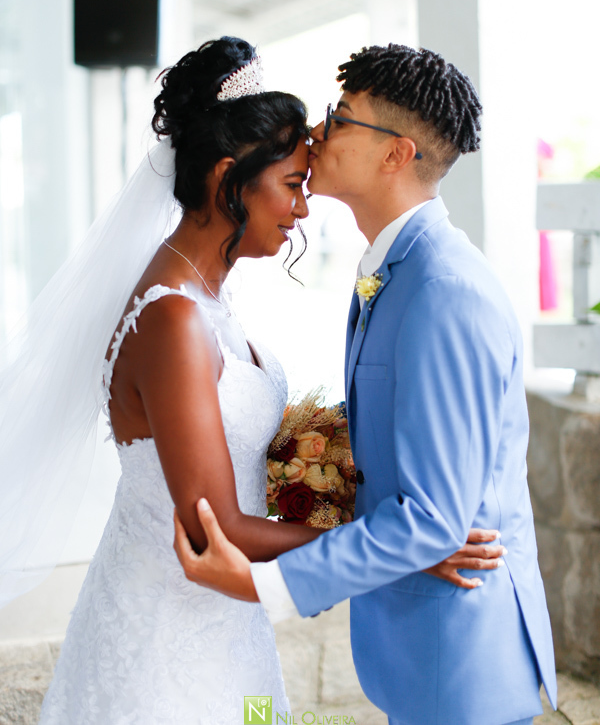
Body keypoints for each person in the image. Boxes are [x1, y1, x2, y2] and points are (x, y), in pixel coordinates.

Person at [0, 38, 498, 725]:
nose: (303, 210)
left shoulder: (209, 297)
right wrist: (402, 550)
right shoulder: (173, 318)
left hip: (228, 617)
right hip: (168, 636)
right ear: (228, 178)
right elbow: (218, 528)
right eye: (292, 185)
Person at [174, 43, 558, 725]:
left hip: (460, 658)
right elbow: (394, 427)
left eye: (342, 115)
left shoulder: (445, 289)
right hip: (421, 648)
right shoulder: (395, 267)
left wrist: (265, 583)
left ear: (396, 154)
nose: (318, 131)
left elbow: (436, 520)